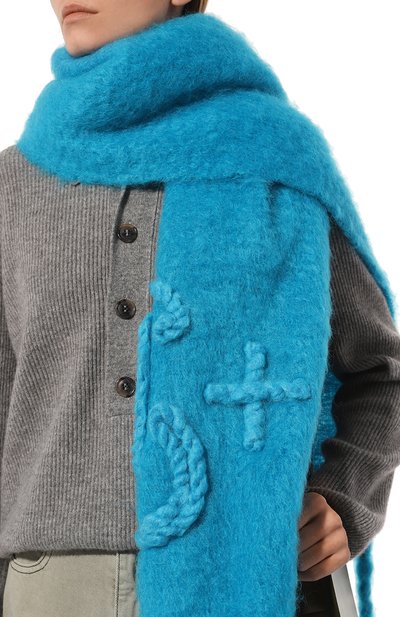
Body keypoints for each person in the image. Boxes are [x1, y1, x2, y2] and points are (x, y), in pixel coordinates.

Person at [1, 1, 399, 616]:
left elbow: (381, 373)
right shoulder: (16, 183)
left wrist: (346, 495)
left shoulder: (277, 164)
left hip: (244, 574)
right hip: (48, 589)